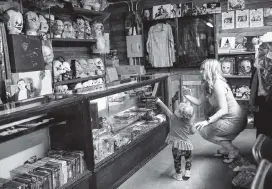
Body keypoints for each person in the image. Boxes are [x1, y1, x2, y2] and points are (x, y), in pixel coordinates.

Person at [184, 59, 247, 163]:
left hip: (236, 120)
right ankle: (226, 148)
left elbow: (224, 109)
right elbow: (199, 101)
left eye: (203, 69)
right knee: (211, 129)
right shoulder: (209, 84)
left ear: (210, 70)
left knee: (205, 131)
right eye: (200, 69)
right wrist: (186, 95)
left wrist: (207, 121)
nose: (200, 71)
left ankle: (233, 150)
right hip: (230, 119)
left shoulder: (218, 84)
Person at [156, 97, 196, 181]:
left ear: (179, 113)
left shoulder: (173, 118)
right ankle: (188, 171)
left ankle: (178, 174)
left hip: (176, 146)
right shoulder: (189, 123)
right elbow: (193, 132)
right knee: (188, 159)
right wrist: (193, 125)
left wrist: (159, 101)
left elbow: (166, 110)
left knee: (177, 161)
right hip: (187, 146)